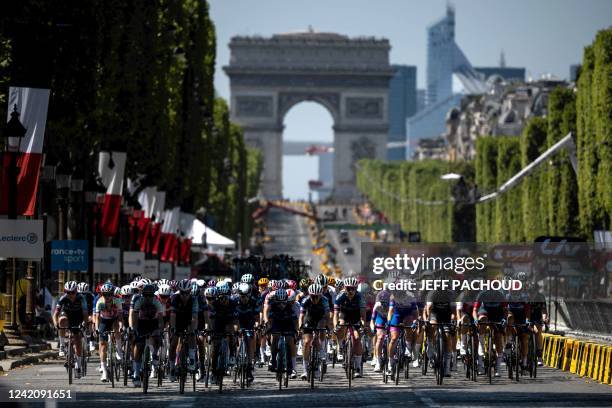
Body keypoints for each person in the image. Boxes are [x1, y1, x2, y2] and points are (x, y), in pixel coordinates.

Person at [130, 283, 164, 387]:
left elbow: (160, 318)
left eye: (150, 295)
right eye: (146, 295)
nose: (148, 297)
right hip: (141, 323)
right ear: (143, 295)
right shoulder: (139, 301)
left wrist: (161, 330)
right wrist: (134, 329)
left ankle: (155, 355)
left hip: (153, 322)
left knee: (157, 338)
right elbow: (134, 316)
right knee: (139, 345)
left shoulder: (156, 302)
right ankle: (136, 373)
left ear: (153, 295)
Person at [53, 281, 88, 379]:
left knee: (77, 340)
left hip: (78, 317)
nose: (70, 295)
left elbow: (85, 314)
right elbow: (55, 314)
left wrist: (84, 323)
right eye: (68, 292)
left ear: (76, 291)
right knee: (62, 320)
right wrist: (56, 323)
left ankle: (79, 364)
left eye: (73, 292)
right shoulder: (63, 298)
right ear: (65, 292)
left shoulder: (81, 298)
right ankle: (62, 345)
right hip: (67, 315)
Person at [333, 277, 367, 378]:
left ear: (356, 289)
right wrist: (336, 326)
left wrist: (362, 326)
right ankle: (340, 348)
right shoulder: (340, 296)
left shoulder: (360, 297)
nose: (351, 291)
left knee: (357, 339)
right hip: (344, 315)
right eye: (348, 288)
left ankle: (357, 367)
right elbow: (335, 314)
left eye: (353, 289)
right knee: (340, 325)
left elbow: (363, 316)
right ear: (344, 288)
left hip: (356, 316)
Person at [168, 279, 198, 382]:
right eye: (182, 293)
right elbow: (172, 315)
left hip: (189, 320)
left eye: (187, 293)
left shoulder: (194, 300)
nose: (184, 296)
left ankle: (192, 358)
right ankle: (172, 368)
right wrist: (173, 328)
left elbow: (194, 318)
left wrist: (192, 329)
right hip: (178, 320)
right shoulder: (175, 298)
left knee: (192, 334)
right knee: (173, 345)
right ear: (179, 291)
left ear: (190, 292)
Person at [265, 288, 298, 378]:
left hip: (288, 323)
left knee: (290, 340)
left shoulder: (290, 306)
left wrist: (296, 331)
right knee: (274, 337)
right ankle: (273, 357)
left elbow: (295, 321)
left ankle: (291, 366)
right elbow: (269, 319)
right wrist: (268, 328)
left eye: (283, 302)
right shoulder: (273, 305)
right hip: (277, 322)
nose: (281, 305)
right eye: (279, 303)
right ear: (276, 300)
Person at [208, 283, 238, 384]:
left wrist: (236, 331)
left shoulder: (233, 303)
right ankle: (213, 371)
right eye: (221, 297)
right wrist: (210, 330)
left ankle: (232, 353)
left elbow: (236, 320)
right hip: (218, 323)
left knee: (231, 332)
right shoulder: (214, 304)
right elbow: (211, 319)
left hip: (229, 321)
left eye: (225, 297)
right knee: (215, 347)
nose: (223, 300)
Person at [473, 287, 507, 377]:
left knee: (498, 338)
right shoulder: (482, 294)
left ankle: (498, 366)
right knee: (482, 319)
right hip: (485, 313)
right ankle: (481, 348)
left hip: (497, 315)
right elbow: (475, 310)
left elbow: (505, 310)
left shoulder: (500, 295)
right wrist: (476, 319)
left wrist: (504, 319)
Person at [298, 283, 329, 379]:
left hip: (320, 318)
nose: (315, 299)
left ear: (321, 295)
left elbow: (327, 316)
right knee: (307, 342)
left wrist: (328, 326)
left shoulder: (324, 300)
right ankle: (305, 370)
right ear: (309, 295)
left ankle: (321, 354)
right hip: (309, 318)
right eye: (312, 296)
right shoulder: (305, 300)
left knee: (321, 332)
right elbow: (301, 316)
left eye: (317, 297)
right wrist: (300, 327)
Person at [95, 283, 123, 382]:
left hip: (114, 320)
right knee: (102, 345)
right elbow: (97, 318)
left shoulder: (117, 301)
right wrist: (96, 328)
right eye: (105, 294)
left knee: (117, 327)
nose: (107, 297)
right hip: (104, 321)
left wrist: (121, 326)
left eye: (109, 294)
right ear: (102, 294)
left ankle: (119, 350)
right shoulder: (100, 302)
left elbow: (120, 318)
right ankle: (104, 371)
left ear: (112, 294)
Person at [425, 287, 455, 377]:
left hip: (446, 315)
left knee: (448, 337)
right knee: (433, 325)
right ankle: (431, 346)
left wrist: (454, 319)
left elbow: (453, 310)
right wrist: (428, 319)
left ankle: (446, 367)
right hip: (434, 313)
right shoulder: (432, 293)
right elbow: (429, 308)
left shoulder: (450, 294)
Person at [235, 282, 260, 383]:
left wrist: (257, 325)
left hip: (249, 323)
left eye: (246, 296)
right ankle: (237, 359)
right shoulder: (235, 301)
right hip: (238, 322)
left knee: (249, 342)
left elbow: (257, 317)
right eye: (242, 296)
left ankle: (249, 368)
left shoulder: (253, 301)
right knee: (238, 340)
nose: (244, 298)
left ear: (249, 295)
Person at [370, 290, 390, 372]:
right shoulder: (377, 306)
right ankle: (378, 360)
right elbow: (372, 320)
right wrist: (372, 329)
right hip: (380, 318)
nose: (384, 306)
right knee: (380, 337)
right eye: (383, 303)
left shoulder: (394, 304)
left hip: (391, 318)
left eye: (386, 303)